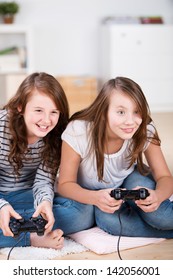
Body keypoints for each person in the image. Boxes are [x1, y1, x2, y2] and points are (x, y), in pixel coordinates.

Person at [55, 76, 173, 238]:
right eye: (121, 112)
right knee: (110, 221)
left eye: (137, 111)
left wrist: (158, 196)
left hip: (129, 179)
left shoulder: (144, 129)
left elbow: (164, 176)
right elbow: (65, 184)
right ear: (103, 113)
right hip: (88, 191)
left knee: (162, 217)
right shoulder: (78, 131)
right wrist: (95, 198)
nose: (131, 121)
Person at [0, 72, 69, 249]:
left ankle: (18, 226)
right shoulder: (1, 127)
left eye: (54, 112)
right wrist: (2, 206)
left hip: (26, 196)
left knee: (81, 213)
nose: (46, 120)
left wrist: (45, 202)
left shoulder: (55, 135)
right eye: (38, 110)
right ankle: (31, 237)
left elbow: (44, 180)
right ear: (20, 107)